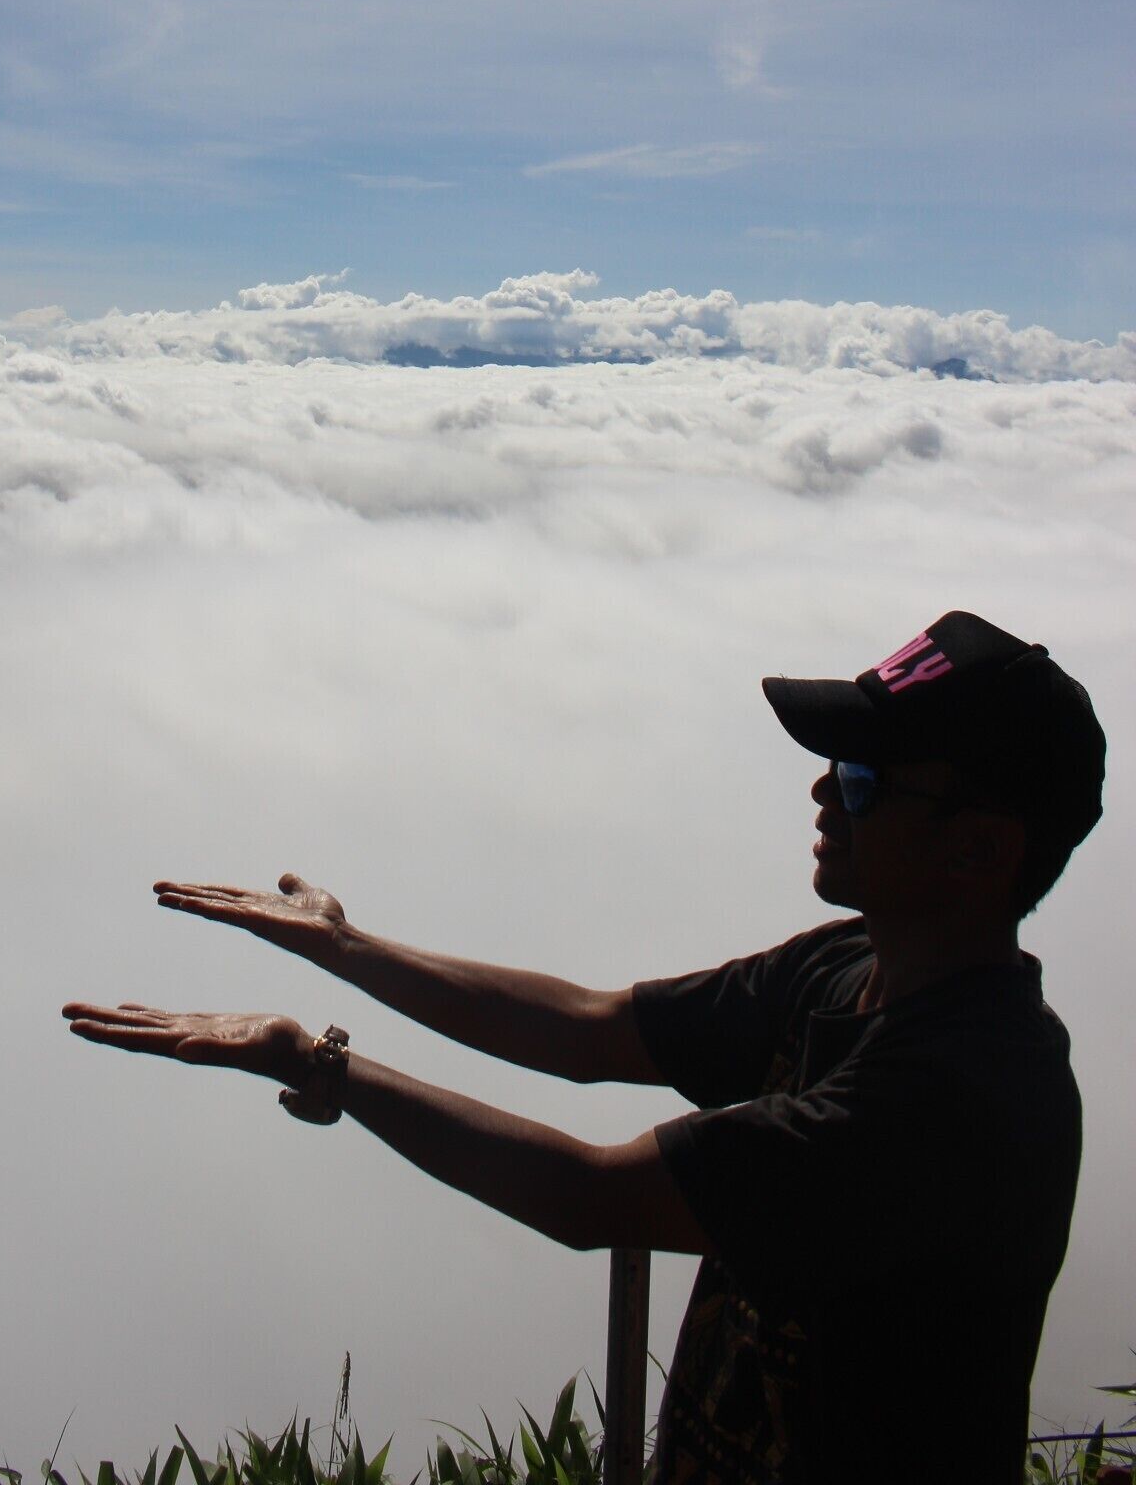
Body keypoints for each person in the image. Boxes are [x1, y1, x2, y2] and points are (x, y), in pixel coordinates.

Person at [65, 611, 1106, 1484]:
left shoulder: (955, 1101)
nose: (824, 794)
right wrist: (345, 948)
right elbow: (590, 1030)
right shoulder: (847, 969)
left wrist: (313, 1062)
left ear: (979, 849)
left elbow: (589, 1195)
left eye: (866, 780)